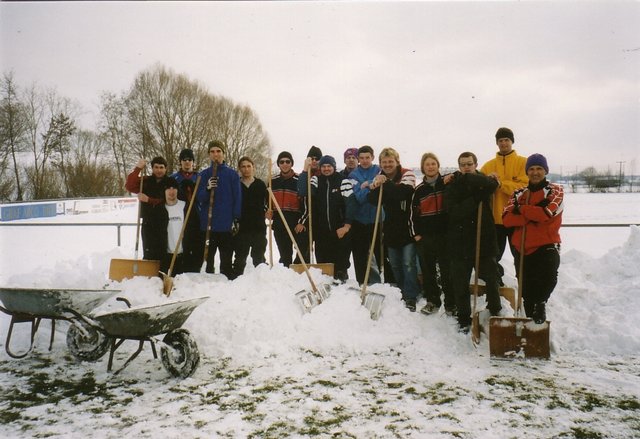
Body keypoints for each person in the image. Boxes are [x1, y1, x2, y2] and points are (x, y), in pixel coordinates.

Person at [445, 152, 502, 333]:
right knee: (460, 281)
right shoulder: (453, 185)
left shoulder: (483, 182)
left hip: (483, 239)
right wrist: (474, 199)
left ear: (476, 164)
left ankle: (495, 311)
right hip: (460, 242)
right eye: (463, 164)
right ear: (459, 166)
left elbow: (493, 184)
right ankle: (464, 318)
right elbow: (453, 212)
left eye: (470, 164)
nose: (466, 167)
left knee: (491, 277)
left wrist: (481, 184)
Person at [503, 153, 563, 324]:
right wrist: (531, 212)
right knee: (526, 291)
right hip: (521, 247)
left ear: (545, 171)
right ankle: (530, 330)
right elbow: (506, 219)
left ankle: (541, 304)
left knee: (548, 278)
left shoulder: (555, 190)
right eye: (531, 169)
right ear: (527, 172)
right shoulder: (518, 193)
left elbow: (546, 213)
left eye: (539, 169)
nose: (535, 172)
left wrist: (520, 210)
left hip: (546, 244)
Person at [368, 147, 419, 311]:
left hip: (408, 227)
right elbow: (373, 200)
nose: (388, 165)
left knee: (408, 263)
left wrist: (385, 182)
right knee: (395, 265)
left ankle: (410, 296)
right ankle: (403, 291)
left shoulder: (407, 174)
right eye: (384, 162)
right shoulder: (381, 178)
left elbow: (402, 193)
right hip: (390, 229)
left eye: (391, 162)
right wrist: (375, 185)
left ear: (397, 162)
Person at [480, 127, 528, 285]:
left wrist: (500, 184)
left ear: (512, 141)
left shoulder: (523, 163)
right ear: (497, 143)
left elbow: (523, 187)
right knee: (493, 256)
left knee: (520, 256)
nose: (503, 143)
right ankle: (495, 284)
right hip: (496, 220)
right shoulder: (488, 166)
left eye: (506, 140)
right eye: (500, 140)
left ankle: (524, 287)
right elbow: (477, 184)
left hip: (515, 218)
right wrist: (488, 181)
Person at [410, 152, 455, 316]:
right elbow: (412, 215)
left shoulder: (448, 184)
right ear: (423, 168)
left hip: (445, 236)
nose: (430, 167)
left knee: (447, 271)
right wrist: (417, 235)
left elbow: (460, 175)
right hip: (426, 237)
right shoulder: (419, 190)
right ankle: (433, 301)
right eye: (427, 164)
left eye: (433, 164)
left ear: (438, 166)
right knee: (428, 272)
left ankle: (451, 303)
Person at [299, 155, 354, 282]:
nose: (326, 169)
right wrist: (305, 170)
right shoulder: (316, 180)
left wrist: (346, 226)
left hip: (339, 229)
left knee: (340, 264)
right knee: (323, 264)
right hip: (321, 230)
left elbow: (351, 205)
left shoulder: (343, 181)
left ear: (334, 167)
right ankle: (325, 288)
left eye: (329, 166)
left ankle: (342, 287)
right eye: (323, 166)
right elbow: (303, 191)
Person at [196, 140, 242, 279]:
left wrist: (236, 218)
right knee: (208, 259)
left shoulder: (232, 174)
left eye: (218, 151)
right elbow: (199, 198)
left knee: (226, 260)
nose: (215, 154)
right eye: (212, 152)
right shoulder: (204, 175)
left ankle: (226, 283)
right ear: (209, 154)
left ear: (223, 153)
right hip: (208, 225)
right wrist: (207, 188)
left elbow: (237, 198)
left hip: (226, 225)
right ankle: (208, 282)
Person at [125, 156, 172, 261]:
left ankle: (161, 273)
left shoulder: (170, 182)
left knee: (162, 250)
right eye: (156, 167)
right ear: (152, 168)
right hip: (148, 221)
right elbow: (129, 185)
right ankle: (148, 274)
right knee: (148, 250)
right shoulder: (145, 181)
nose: (159, 170)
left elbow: (167, 200)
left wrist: (149, 200)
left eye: (161, 167)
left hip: (164, 220)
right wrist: (138, 168)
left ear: (165, 169)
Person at [348, 145, 382, 285]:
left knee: (378, 254)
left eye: (367, 157)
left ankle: (378, 284)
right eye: (361, 158)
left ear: (372, 157)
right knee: (360, 254)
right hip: (359, 220)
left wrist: (367, 184)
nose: (365, 160)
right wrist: (373, 185)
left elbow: (382, 191)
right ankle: (362, 283)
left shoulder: (379, 170)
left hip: (377, 218)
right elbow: (359, 197)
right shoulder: (353, 175)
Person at [269, 151, 309, 267]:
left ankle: (299, 273)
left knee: (302, 252)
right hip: (279, 222)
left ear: (291, 163)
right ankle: (286, 276)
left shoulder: (299, 180)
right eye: (282, 162)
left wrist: (301, 222)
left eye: (288, 161)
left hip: (296, 221)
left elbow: (306, 205)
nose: (285, 164)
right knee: (285, 254)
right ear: (278, 164)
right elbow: (266, 202)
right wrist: (268, 211)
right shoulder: (272, 181)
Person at [232, 156, 268, 277]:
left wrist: (268, 211)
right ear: (239, 169)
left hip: (258, 227)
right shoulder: (237, 185)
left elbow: (268, 203)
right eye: (243, 166)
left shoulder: (260, 184)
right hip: (242, 228)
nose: (246, 169)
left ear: (253, 168)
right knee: (240, 257)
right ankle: (236, 281)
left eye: (249, 166)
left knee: (259, 257)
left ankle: (263, 280)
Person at [158, 178, 200, 276]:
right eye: (168, 188)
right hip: (167, 259)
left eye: (174, 188)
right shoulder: (160, 210)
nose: (171, 191)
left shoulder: (187, 207)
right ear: (164, 191)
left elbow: (196, 233)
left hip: (185, 258)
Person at [170, 148, 200, 271]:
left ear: (193, 162)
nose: (187, 162)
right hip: (179, 216)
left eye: (189, 160)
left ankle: (195, 269)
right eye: (184, 160)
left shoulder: (199, 177)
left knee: (196, 244)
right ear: (180, 162)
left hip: (196, 216)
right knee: (181, 243)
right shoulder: (174, 178)